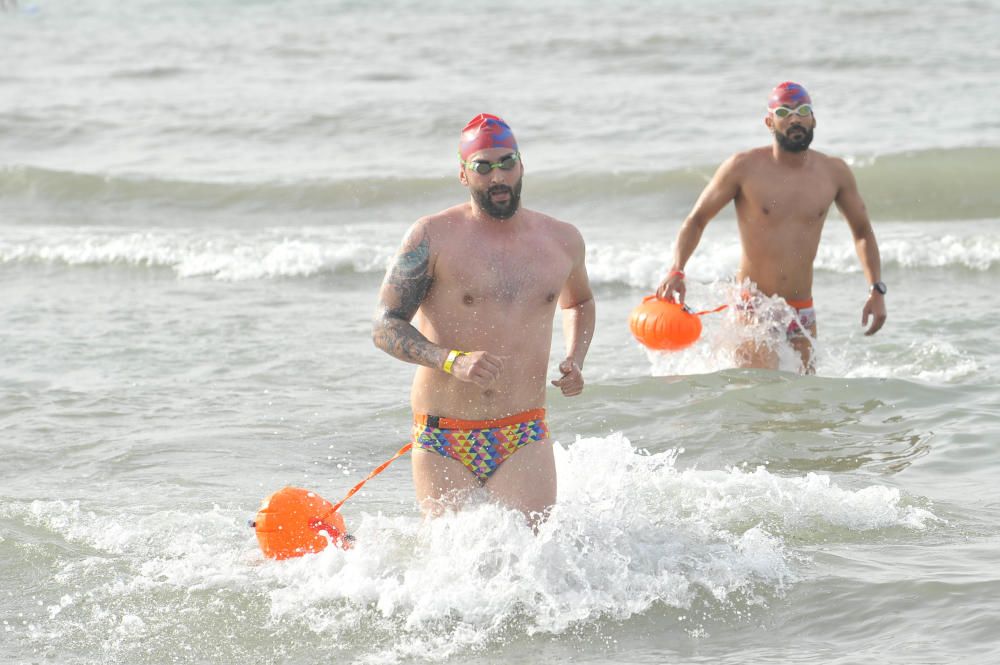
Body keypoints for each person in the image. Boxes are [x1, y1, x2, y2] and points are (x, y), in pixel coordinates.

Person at [372, 113, 595, 526]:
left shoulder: (562, 240)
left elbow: (578, 302)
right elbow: (385, 326)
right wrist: (451, 360)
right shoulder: (431, 236)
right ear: (463, 174)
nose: (498, 177)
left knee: (531, 566)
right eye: (483, 166)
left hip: (523, 431)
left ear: (522, 165)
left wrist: (576, 357)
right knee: (453, 570)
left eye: (506, 163)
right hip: (444, 434)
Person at [656, 81, 887, 372]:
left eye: (803, 111)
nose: (795, 118)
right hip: (755, 309)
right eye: (785, 111)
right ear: (769, 121)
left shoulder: (834, 173)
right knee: (762, 397)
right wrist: (676, 270)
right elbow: (697, 219)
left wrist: (876, 290)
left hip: (802, 312)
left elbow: (862, 232)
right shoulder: (743, 167)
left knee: (805, 405)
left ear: (814, 119)